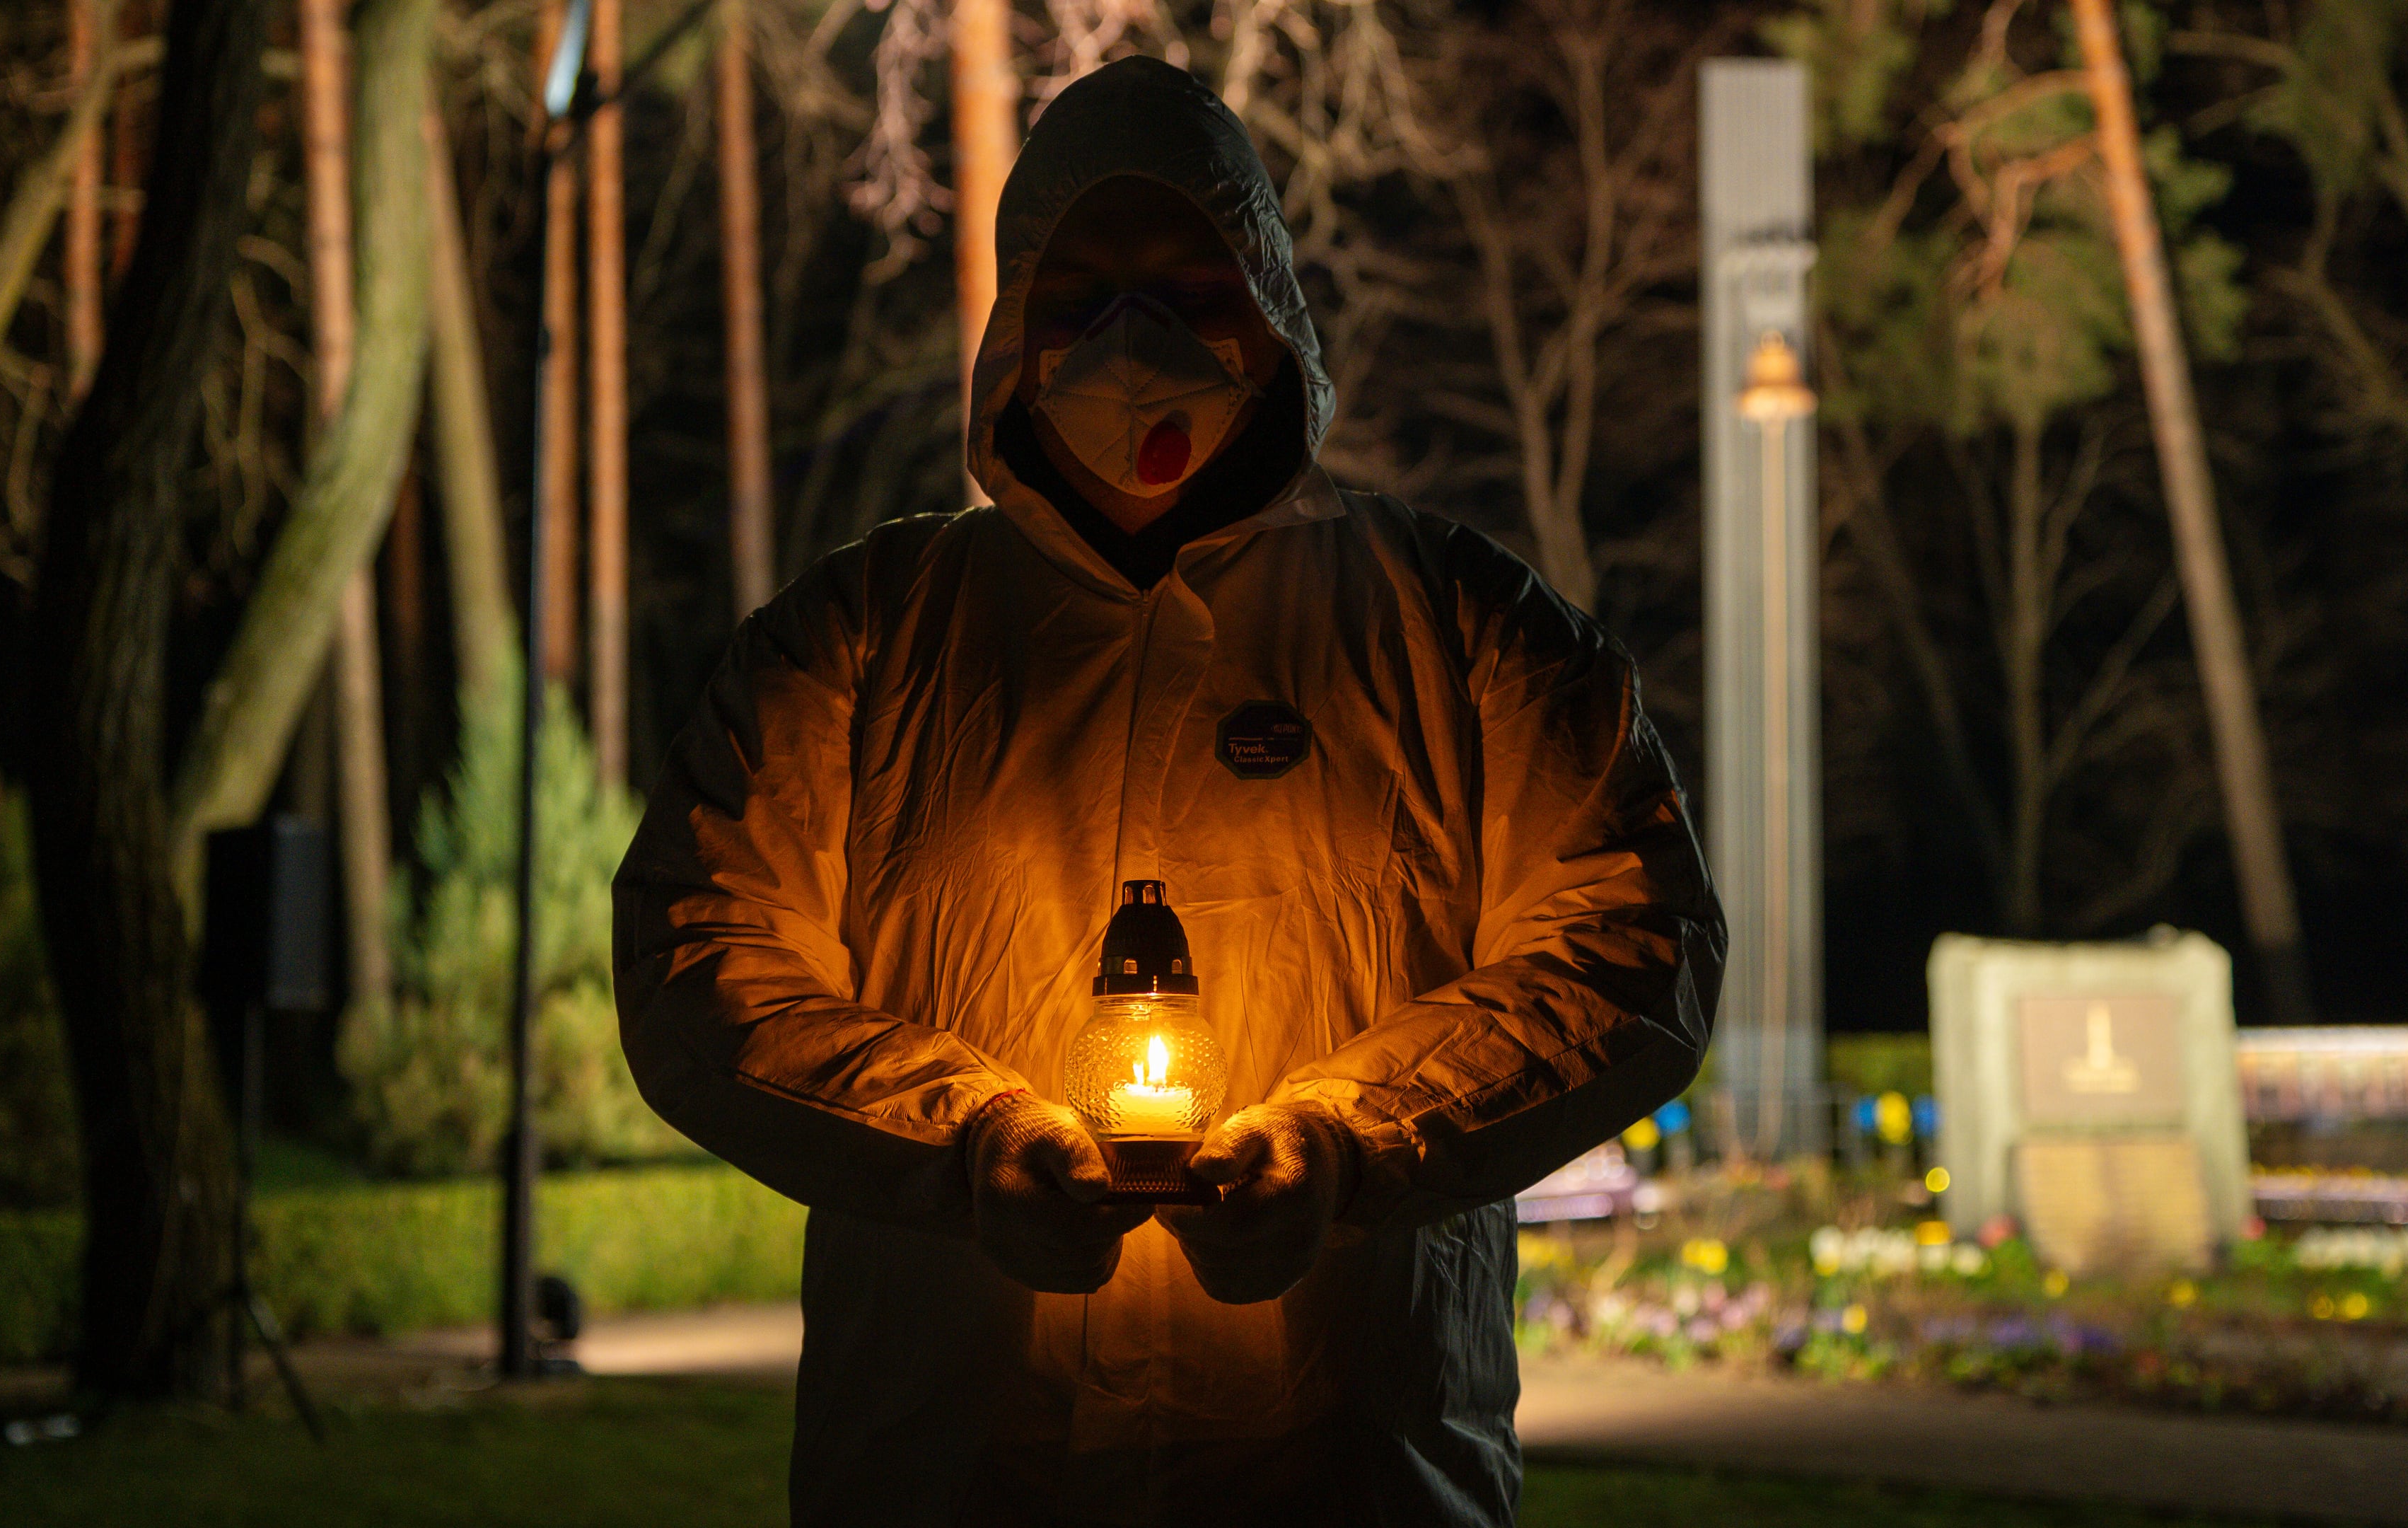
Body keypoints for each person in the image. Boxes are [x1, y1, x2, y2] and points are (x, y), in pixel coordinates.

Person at [614, 56, 1722, 1527]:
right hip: (956, 1470)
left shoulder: (1458, 630)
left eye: (1185, 283)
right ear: (1013, 321)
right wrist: (967, 1139)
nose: (1133, 338)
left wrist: (1348, 1141)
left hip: (1348, 1469)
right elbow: (703, 953)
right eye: (1082, 292)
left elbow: (1629, 941)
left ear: (1266, 304)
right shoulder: (869, 640)